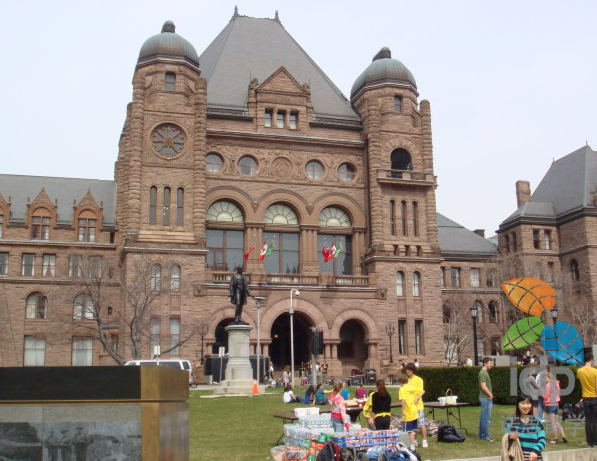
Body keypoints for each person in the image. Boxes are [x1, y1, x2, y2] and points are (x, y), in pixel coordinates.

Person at [505, 395, 546, 461]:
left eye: (528, 403)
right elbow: (506, 439)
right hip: (517, 458)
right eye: (522, 403)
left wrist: (535, 451)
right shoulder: (511, 422)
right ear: (518, 404)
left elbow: (542, 440)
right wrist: (510, 437)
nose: (525, 406)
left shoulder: (537, 422)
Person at [576, 352, 597, 447]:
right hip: (594, 397)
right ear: (591, 360)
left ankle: (589, 442)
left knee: (588, 421)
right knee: (594, 420)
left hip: (585, 398)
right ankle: (595, 441)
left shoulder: (579, 371)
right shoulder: (595, 371)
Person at [405, 363, 428, 448]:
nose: (406, 371)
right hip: (410, 407)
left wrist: (416, 398)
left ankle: (424, 440)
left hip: (418, 406)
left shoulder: (419, 380)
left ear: (412, 370)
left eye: (408, 370)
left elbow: (421, 391)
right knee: (413, 426)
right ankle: (414, 441)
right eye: (406, 370)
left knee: (421, 424)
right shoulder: (407, 380)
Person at [543, 372, 567, 444]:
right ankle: (563, 436)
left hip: (549, 405)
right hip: (556, 404)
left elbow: (546, 396)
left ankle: (555, 438)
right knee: (556, 422)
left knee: (553, 423)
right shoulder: (556, 384)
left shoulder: (548, 385)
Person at [398, 376, 419, 451]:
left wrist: (403, 410)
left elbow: (403, 399)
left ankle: (412, 446)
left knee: (409, 431)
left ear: (401, 382)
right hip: (414, 410)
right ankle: (414, 443)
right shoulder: (412, 388)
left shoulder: (402, 389)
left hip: (408, 411)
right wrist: (416, 399)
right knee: (413, 429)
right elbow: (421, 392)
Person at [478, 356, 495, 441]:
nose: (492, 364)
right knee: (486, 418)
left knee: (484, 417)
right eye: (490, 363)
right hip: (485, 398)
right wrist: (490, 395)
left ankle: (481, 435)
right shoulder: (483, 373)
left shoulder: (484, 372)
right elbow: (483, 386)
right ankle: (484, 435)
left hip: (485, 398)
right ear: (485, 363)